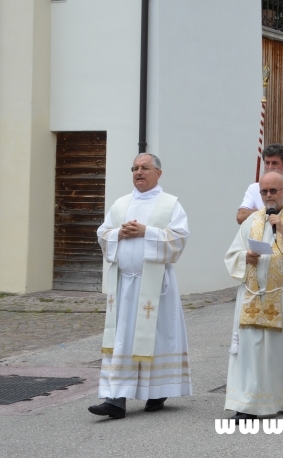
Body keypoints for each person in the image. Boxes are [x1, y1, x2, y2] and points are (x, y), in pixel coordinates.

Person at [90, 154, 191, 420]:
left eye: (145, 168)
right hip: (125, 285)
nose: (138, 172)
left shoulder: (170, 204)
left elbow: (179, 239)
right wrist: (117, 234)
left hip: (156, 288)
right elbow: (103, 233)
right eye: (134, 168)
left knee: (156, 337)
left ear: (159, 172)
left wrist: (147, 231)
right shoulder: (121, 204)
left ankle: (157, 390)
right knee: (122, 338)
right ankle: (115, 398)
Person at [223, 170, 283, 422]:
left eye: (273, 191)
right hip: (253, 296)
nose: (268, 196)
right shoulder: (251, 220)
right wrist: (246, 256)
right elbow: (231, 254)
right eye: (264, 191)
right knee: (251, 352)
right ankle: (248, 403)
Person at [237, 143, 283, 225]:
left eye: (274, 163)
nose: (270, 167)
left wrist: (256, 212)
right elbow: (240, 217)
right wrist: (275, 213)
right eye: (267, 163)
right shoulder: (253, 188)